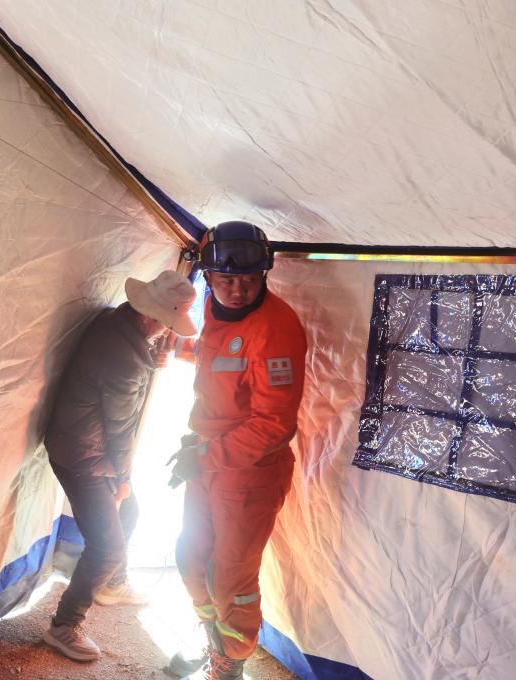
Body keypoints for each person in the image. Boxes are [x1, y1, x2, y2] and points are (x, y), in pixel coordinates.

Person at [164, 222, 307, 680]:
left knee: (231, 579)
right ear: (207, 275)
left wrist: (204, 456)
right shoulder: (212, 304)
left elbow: (273, 424)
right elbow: (218, 371)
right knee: (191, 557)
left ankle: (231, 663)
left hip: (250, 474)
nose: (238, 289)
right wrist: (197, 446)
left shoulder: (277, 329)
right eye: (226, 279)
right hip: (208, 458)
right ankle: (213, 643)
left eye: (249, 279)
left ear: (264, 273)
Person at [41, 270, 197, 662]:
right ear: (151, 316)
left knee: (131, 514)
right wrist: (121, 477)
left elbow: (128, 365)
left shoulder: (116, 320)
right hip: (83, 456)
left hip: (76, 442)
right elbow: (121, 429)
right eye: (166, 325)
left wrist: (152, 360)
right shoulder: (126, 359)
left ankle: (111, 585)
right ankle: (63, 626)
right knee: (108, 545)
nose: (168, 333)